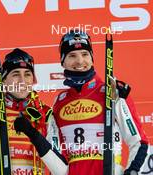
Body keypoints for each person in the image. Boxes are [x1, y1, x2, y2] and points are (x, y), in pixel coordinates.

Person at [16, 30, 149, 175]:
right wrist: (32, 134)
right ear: (63, 61)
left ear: (92, 58)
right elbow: (59, 163)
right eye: (72, 56)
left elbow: (139, 142)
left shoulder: (112, 92)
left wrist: (133, 171)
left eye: (85, 54)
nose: (80, 61)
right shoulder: (60, 101)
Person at [0, 48, 66, 174]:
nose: (22, 81)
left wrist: (34, 135)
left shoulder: (45, 114)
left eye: (27, 74)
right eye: (16, 74)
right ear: (4, 79)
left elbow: (61, 170)